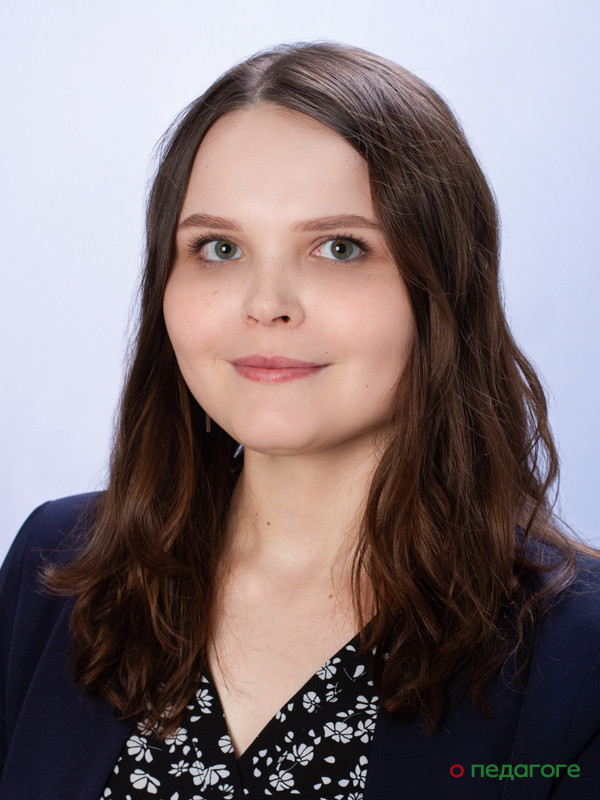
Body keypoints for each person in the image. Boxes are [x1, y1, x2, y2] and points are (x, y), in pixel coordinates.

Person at [1, 41, 599, 800]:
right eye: (219, 248)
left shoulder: (579, 653)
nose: (266, 304)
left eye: (339, 248)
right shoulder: (55, 568)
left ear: (442, 287)